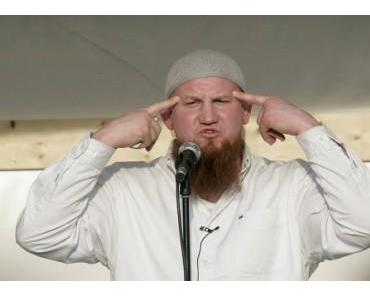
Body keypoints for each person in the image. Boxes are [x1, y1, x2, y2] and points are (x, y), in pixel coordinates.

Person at [16, 49, 370, 280]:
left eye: (221, 101)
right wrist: (102, 141)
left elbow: (363, 225)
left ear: (246, 113)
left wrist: (310, 129)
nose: (208, 117)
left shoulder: (293, 186)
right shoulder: (123, 190)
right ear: (168, 118)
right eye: (191, 104)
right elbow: (39, 234)